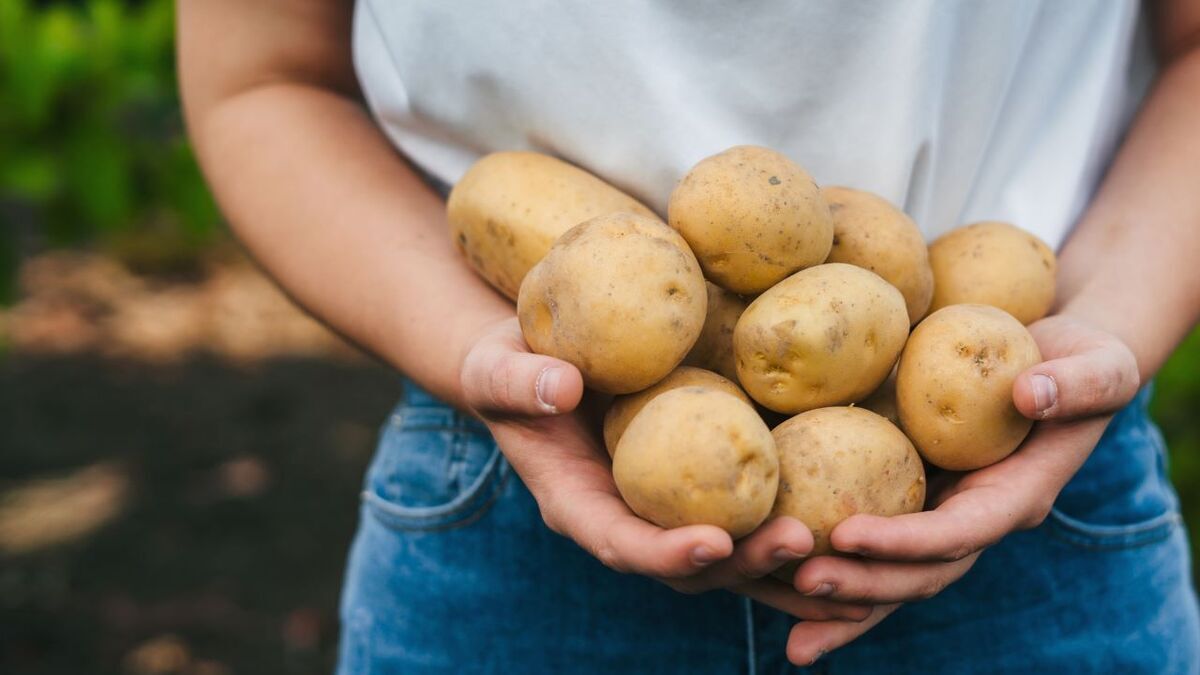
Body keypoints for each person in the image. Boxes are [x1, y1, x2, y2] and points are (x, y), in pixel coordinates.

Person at [178, 1, 1200, 672]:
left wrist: (1109, 327)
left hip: (1034, 461)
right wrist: (471, 346)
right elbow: (263, 77)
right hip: (514, 472)